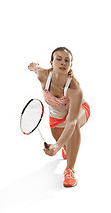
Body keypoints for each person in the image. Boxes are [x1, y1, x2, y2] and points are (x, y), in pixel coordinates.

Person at [28, 47, 90, 187]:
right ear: (51, 62)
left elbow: (72, 121)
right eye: (59, 59)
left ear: (70, 66)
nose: (63, 62)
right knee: (63, 143)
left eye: (67, 60)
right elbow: (36, 69)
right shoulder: (43, 76)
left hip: (78, 111)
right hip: (56, 114)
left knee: (72, 127)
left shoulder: (75, 88)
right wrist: (33, 67)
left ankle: (69, 171)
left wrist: (57, 145)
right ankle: (66, 146)